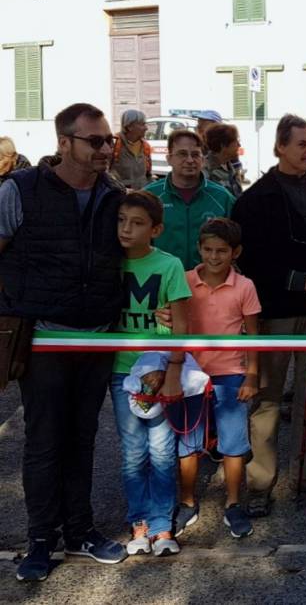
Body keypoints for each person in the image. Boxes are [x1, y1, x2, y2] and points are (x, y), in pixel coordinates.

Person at [1, 103, 128, 582]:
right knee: (44, 441)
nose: (104, 148)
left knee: (83, 438)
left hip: (97, 338)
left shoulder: (113, 195)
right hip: (44, 342)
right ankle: (39, 540)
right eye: (94, 141)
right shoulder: (20, 190)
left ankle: (80, 530)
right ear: (64, 143)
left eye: (108, 140)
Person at [231, 114, 306, 517]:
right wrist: (303, 281)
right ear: (280, 147)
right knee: (266, 402)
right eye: (301, 144)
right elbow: (252, 260)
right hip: (275, 314)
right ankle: (261, 485)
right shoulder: (254, 200)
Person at [110, 190, 191, 558]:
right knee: (132, 451)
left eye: (138, 223)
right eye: (121, 220)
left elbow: (182, 324)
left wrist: (174, 368)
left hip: (158, 368)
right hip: (120, 370)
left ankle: (162, 525)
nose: (126, 229)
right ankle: (138, 521)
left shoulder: (170, 265)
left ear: (155, 229)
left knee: (162, 449)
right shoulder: (105, 262)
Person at [178, 218, 261, 540]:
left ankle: (234, 503)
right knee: (187, 441)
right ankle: (186, 502)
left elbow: (253, 335)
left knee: (233, 442)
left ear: (235, 252)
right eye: (208, 249)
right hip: (190, 372)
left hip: (231, 372)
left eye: (222, 251)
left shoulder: (245, 287)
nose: (214, 257)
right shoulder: (184, 281)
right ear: (199, 248)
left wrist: (251, 376)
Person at [144, 129, 236, 271]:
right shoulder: (150, 196)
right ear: (169, 159)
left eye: (195, 155)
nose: (189, 160)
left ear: (203, 160)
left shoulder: (222, 197)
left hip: (208, 285)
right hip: (162, 283)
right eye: (182, 154)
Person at [110, 109, 153, 190]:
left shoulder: (145, 146)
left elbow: (148, 175)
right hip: (121, 197)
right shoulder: (114, 144)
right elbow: (107, 174)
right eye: (142, 124)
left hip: (142, 196)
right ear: (129, 127)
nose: (146, 128)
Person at [203, 123, 244, 198]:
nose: (239, 145)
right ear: (223, 145)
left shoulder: (231, 167)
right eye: (236, 142)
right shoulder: (204, 170)